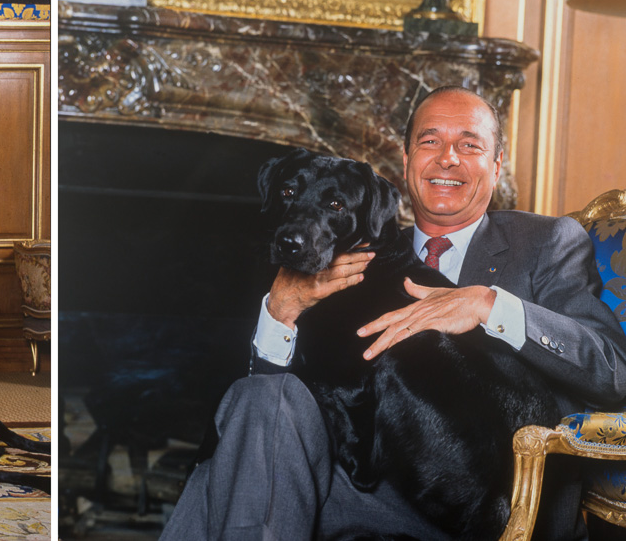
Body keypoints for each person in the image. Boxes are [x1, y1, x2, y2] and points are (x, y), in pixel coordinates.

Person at [162, 86, 626, 540]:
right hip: (352, 482)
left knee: (224, 471)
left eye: (470, 144)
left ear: (497, 164)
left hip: (481, 493)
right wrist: (280, 311)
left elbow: (615, 371)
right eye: (430, 141)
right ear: (405, 161)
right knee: (254, 402)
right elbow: (279, 398)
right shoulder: (350, 247)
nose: (448, 157)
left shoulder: (547, 242)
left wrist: (489, 304)